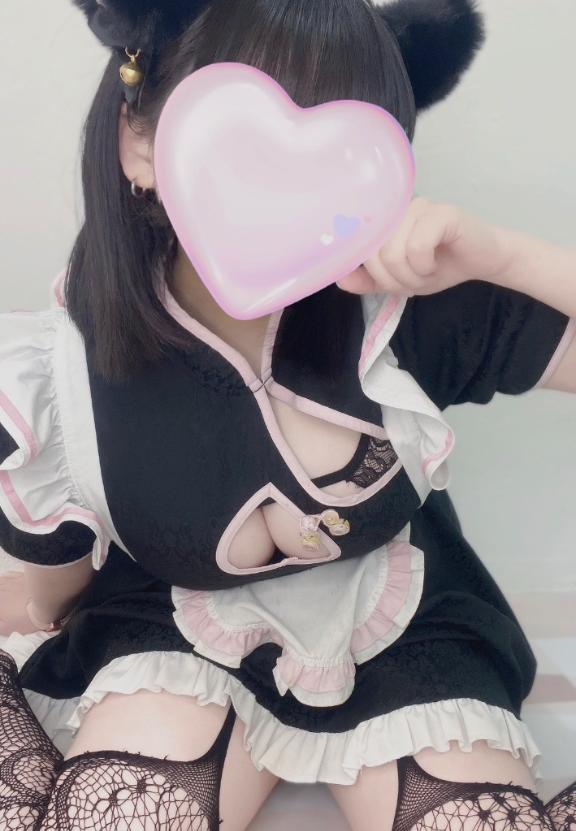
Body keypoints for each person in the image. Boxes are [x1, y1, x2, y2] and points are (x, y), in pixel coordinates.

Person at [0, 0, 575, 829]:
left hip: (409, 624)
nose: (287, 192)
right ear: (140, 143)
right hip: (172, 622)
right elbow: (56, 567)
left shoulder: (409, 308)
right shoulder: (62, 369)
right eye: (241, 152)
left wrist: (503, 255)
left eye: (337, 157)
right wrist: (45, 607)